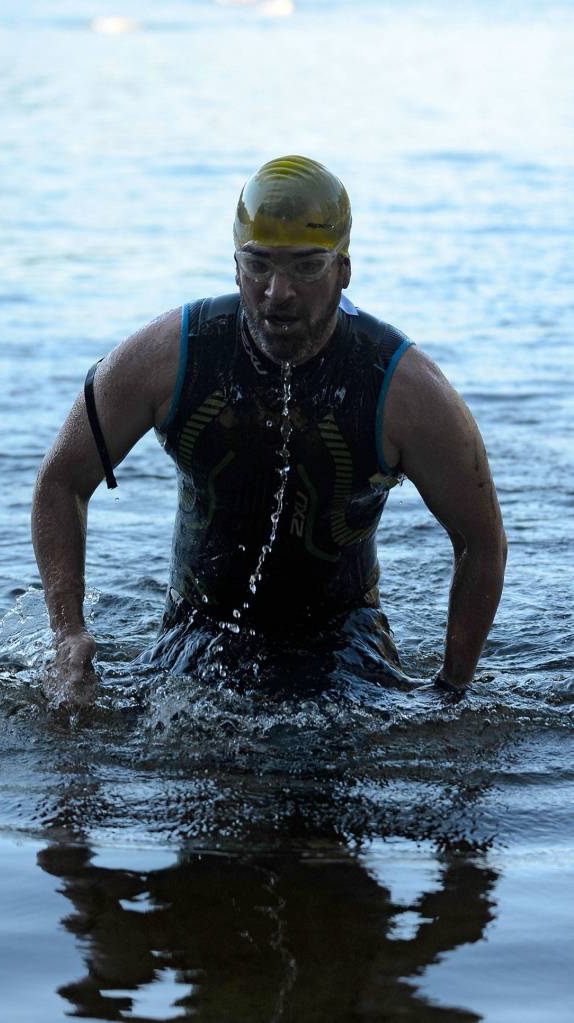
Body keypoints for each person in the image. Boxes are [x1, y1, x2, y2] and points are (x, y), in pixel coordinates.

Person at [32, 155, 507, 706]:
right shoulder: (171, 357)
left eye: (306, 267)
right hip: (194, 630)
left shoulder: (401, 388)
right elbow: (62, 480)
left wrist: (449, 691)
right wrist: (67, 633)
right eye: (258, 265)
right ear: (235, 266)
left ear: (343, 269)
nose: (277, 292)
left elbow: (482, 540)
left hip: (345, 642)